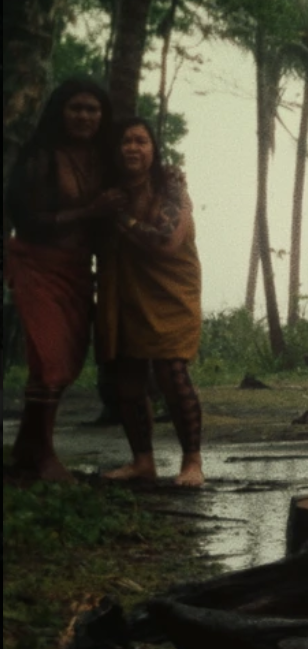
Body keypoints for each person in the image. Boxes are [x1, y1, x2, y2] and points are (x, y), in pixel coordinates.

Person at [5, 79, 118, 480]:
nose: (84, 117)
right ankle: (45, 454)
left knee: (66, 362)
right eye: (76, 108)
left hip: (76, 268)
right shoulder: (41, 156)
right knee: (49, 359)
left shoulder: (104, 157)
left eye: (92, 110)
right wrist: (89, 210)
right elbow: (28, 220)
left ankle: (26, 447)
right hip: (36, 263)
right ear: (60, 111)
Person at [97, 118, 206, 487]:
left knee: (172, 373)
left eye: (141, 141)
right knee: (127, 378)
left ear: (153, 149)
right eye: (125, 141)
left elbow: (164, 242)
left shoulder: (169, 187)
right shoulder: (110, 191)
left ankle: (192, 462)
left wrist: (121, 218)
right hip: (125, 289)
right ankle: (142, 461)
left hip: (171, 291)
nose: (132, 148)